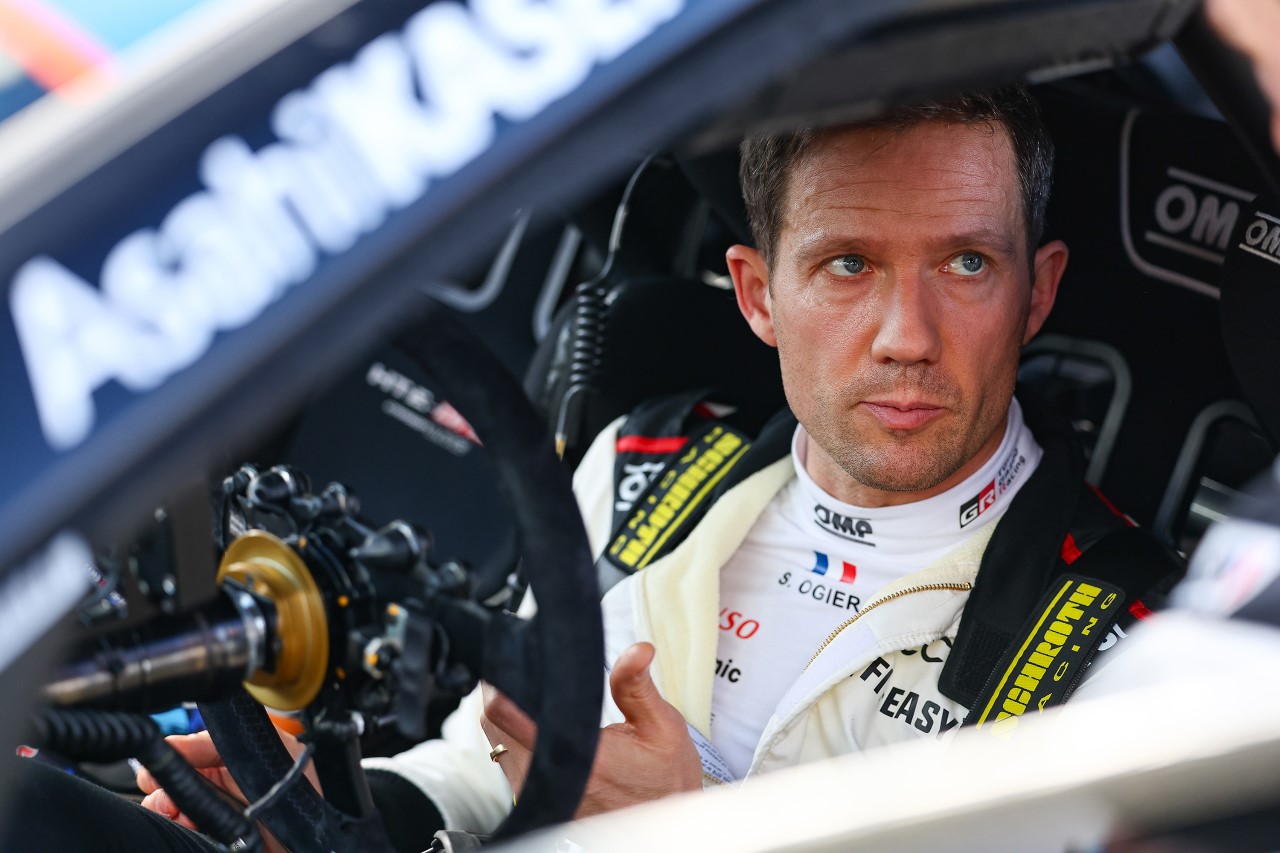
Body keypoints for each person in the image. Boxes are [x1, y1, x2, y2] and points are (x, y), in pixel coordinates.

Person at [11, 86, 1181, 851]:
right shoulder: (645, 464)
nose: (905, 335)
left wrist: (697, 828)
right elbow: (481, 773)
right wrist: (339, 805)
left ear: (1036, 292)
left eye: (965, 263)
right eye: (846, 266)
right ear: (755, 294)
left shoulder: (1143, 640)